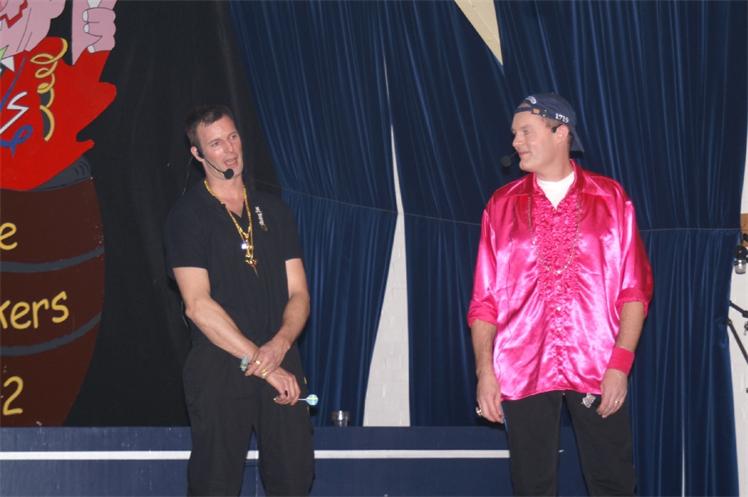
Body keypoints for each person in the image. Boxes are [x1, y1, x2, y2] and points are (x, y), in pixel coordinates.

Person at [467, 93, 653, 496]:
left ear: (560, 132)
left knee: (613, 482)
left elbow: (634, 290)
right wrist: (485, 372)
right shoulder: (500, 205)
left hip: (598, 366)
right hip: (522, 366)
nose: (516, 142)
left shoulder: (611, 198)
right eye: (514, 134)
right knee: (531, 484)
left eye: (525, 132)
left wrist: (620, 365)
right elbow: (484, 301)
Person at [164, 105, 314, 496]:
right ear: (197, 154)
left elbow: (299, 293)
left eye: (232, 137)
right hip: (222, 364)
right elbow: (197, 305)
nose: (229, 149)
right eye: (216, 143)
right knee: (216, 483)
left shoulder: (274, 211)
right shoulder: (188, 216)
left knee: (295, 478)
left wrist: (280, 345)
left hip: (280, 358)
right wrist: (261, 364)